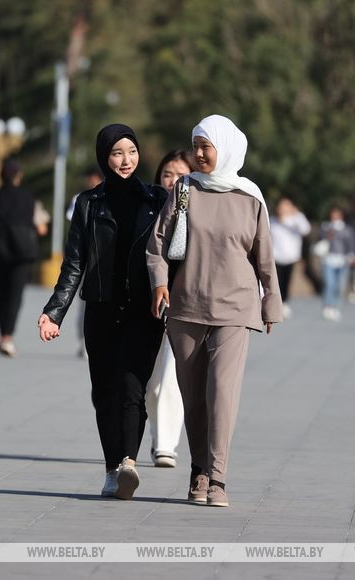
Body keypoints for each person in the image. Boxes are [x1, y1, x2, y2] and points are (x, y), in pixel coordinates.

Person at [147, 114, 283, 507]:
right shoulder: (185, 189)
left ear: (225, 148)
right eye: (196, 146)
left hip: (235, 308)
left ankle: (218, 478)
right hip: (187, 305)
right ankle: (199, 470)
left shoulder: (250, 197)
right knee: (193, 397)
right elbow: (158, 244)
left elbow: (264, 256)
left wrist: (270, 302)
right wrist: (159, 283)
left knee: (222, 392)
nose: (199, 154)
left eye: (206, 147)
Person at [39, 124, 167, 500]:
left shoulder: (156, 199)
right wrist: (54, 311)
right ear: (103, 157)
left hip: (144, 311)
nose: (126, 160)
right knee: (105, 392)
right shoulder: (88, 203)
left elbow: (172, 255)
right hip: (101, 309)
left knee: (133, 388)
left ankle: (128, 462)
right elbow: (74, 263)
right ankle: (112, 468)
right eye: (116, 153)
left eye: (132, 151)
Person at [145, 148, 195, 468]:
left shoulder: (200, 207)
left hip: (184, 302)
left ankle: (166, 445)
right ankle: (156, 434)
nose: (173, 181)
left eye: (181, 175)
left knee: (172, 375)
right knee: (151, 383)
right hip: (148, 302)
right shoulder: (147, 206)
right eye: (167, 174)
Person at [0, 159, 47, 357]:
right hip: (21, 253)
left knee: (2, 296)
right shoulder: (28, 198)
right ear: (18, 176)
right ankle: (8, 337)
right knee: (15, 296)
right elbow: (42, 228)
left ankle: (4, 335)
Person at [65, 165, 103, 358]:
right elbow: (74, 224)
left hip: (103, 257)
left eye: (95, 177)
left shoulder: (110, 198)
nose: (91, 181)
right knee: (84, 301)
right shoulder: (80, 199)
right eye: (90, 178)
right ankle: (84, 342)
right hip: (86, 257)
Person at [270, 196, 311, 318]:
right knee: (276, 282)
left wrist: (296, 214)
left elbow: (306, 229)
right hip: (276, 256)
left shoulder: (296, 219)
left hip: (290, 257)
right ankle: (277, 303)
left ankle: (285, 302)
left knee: (287, 281)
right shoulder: (273, 220)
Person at [319, 206, 355, 322]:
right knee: (330, 284)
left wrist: (352, 256)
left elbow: (351, 244)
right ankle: (328, 306)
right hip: (329, 260)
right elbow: (321, 239)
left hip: (342, 260)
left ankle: (336, 306)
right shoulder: (326, 227)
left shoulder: (347, 229)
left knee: (339, 285)